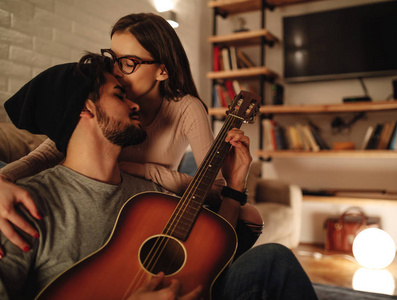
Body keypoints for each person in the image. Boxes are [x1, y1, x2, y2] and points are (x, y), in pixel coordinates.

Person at [0, 54, 318, 300]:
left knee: (273, 260)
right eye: (119, 95)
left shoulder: (150, 196)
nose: (134, 103)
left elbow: (209, 250)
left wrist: (235, 184)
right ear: (87, 108)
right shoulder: (24, 204)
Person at [0, 12, 262, 256]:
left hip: (151, 194)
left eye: (128, 63)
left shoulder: (186, 108)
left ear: (162, 70)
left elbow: (215, 189)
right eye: (113, 59)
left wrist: (145, 170)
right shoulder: (101, 102)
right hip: (98, 189)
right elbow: (45, 154)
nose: (115, 71)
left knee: (248, 216)